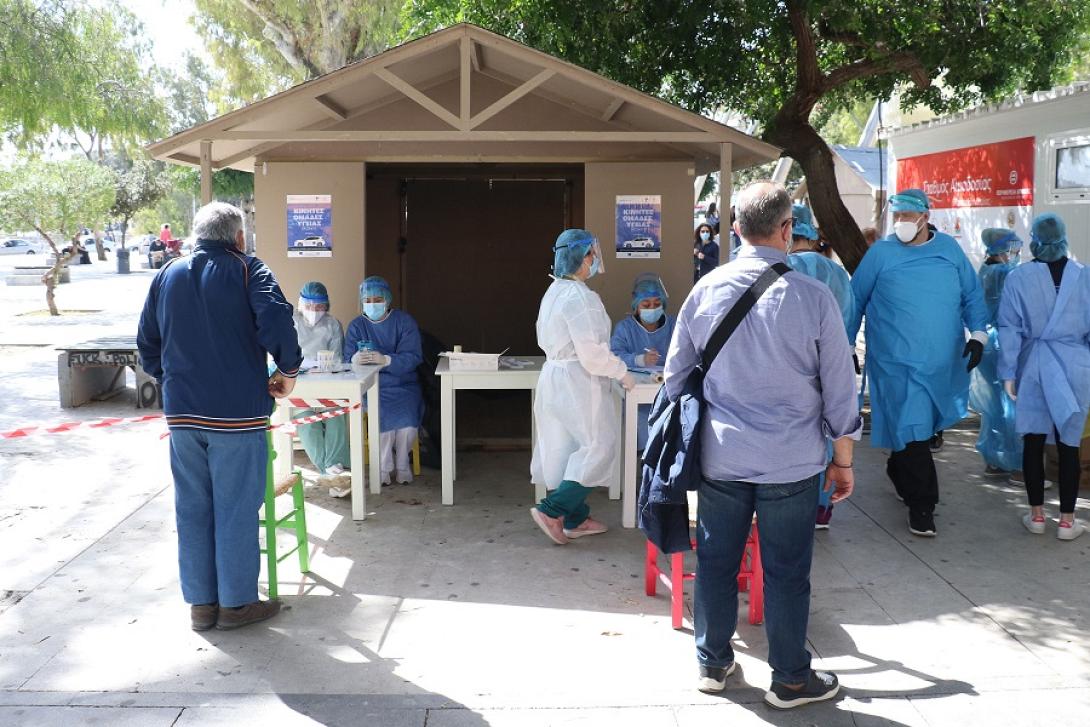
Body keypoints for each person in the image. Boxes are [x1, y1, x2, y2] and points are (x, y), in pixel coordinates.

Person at [666, 182, 859, 709]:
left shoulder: (704, 291)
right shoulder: (814, 297)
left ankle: (713, 662)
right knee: (787, 571)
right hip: (792, 464)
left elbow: (675, 375)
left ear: (734, 230)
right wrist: (842, 463)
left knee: (716, 562)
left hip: (722, 457)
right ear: (786, 229)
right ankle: (791, 679)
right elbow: (842, 395)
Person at [137, 201, 301, 632]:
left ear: (195, 234)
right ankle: (237, 604)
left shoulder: (167, 274)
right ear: (239, 237)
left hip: (183, 415)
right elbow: (278, 321)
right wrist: (287, 371)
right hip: (237, 415)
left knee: (192, 507)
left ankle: (201, 605)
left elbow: (147, 344)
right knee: (235, 508)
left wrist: (174, 380)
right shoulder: (249, 269)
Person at [848, 189, 988, 537]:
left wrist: (979, 334)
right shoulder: (881, 254)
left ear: (925, 216)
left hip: (941, 362)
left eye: (907, 217)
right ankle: (923, 506)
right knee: (912, 428)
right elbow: (855, 299)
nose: (901, 223)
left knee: (917, 432)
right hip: (896, 363)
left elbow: (971, 295)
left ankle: (899, 470)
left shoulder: (949, 251)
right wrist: (845, 343)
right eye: (896, 217)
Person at [530, 229, 635, 545]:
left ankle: (574, 518)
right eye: (591, 254)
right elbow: (591, 352)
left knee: (563, 448)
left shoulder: (555, 291)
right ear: (578, 257)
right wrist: (621, 372)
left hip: (554, 377)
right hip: (579, 381)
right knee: (598, 445)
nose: (595, 260)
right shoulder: (580, 297)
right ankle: (553, 510)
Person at [999, 213, 1090, 541]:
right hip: (1075, 366)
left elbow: (1009, 329)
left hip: (1033, 364)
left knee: (1033, 440)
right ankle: (1067, 521)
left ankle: (1036, 515)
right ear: (1065, 238)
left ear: (1034, 241)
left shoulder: (1017, 278)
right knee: (1069, 445)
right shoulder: (1085, 276)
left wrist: (1008, 372)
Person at [787, 204, 856, 529]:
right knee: (830, 432)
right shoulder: (836, 272)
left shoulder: (785, 268)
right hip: (833, 360)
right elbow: (850, 319)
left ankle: (796, 505)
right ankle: (823, 507)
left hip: (795, 366)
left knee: (798, 436)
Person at [343, 276, 424, 485]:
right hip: (372, 386)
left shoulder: (404, 322)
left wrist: (387, 360)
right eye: (367, 300)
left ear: (387, 300)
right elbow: (346, 361)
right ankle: (383, 468)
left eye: (377, 299)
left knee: (408, 421)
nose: (372, 304)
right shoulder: (357, 326)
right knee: (381, 418)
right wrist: (355, 360)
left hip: (403, 384)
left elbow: (414, 356)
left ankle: (402, 464)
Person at [970, 229, 1023, 476]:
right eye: (1012, 248)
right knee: (1010, 403)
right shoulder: (1004, 274)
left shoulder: (985, 271)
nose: (1017, 253)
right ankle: (1016, 464)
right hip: (1003, 343)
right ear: (1000, 249)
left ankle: (993, 458)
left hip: (988, 344)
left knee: (994, 406)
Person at [292, 281, 351, 496]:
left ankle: (334, 472)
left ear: (327, 306)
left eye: (320, 307)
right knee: (306, 422)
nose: (315, 312)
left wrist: (323, 366)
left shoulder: (333, 324)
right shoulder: (291, 323)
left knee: (335, 415)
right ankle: (334, 473)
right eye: (309, 307)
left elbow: (336, 359)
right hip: (298, 387)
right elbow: (284, 358)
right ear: (300, 305)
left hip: (327, 385)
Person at [610, 273, 675, 448]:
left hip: (666, 391)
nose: (652, 308)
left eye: (657, 304)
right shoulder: (625, 328)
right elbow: (613, 356)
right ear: (636, 307)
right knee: (639, 427)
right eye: (646, 305)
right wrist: (639, 359)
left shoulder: (674, 326)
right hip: (634, 392)